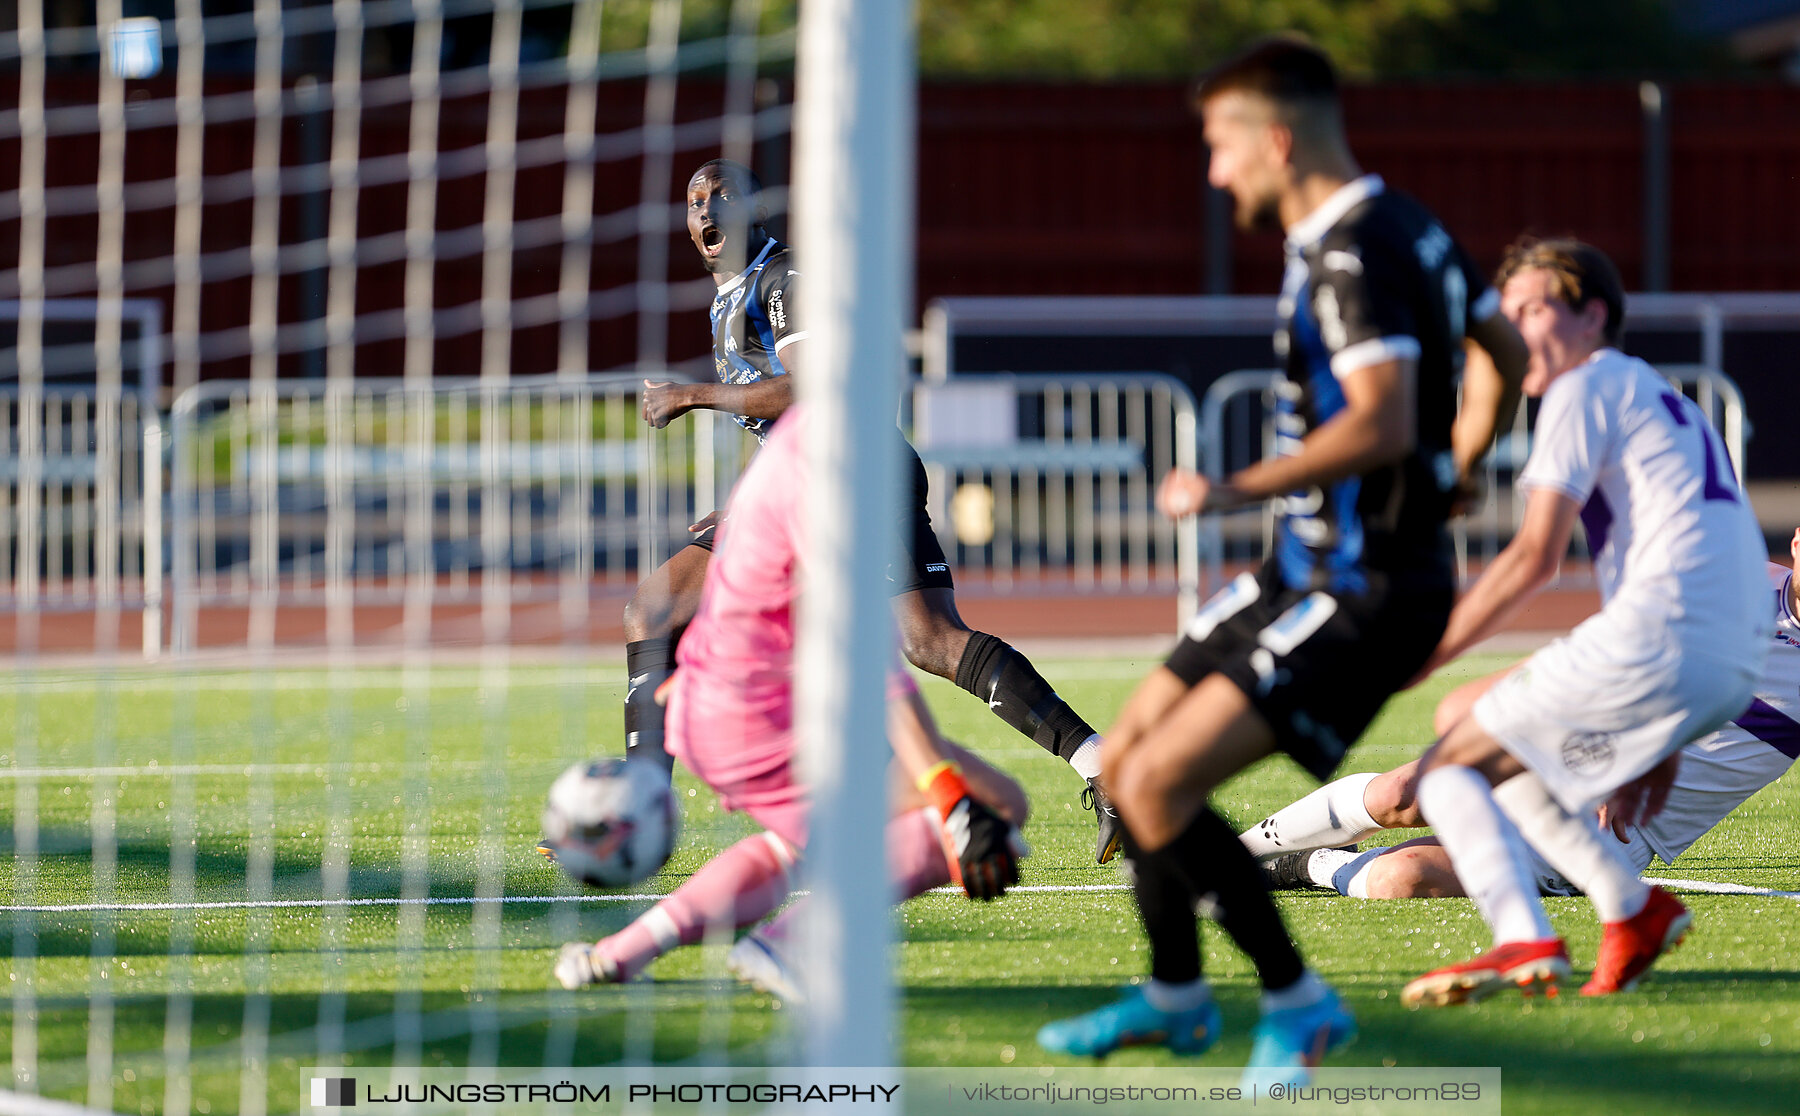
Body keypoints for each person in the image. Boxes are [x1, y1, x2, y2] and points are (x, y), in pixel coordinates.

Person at [1034, 38, 1527, 1084]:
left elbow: (1386, 416)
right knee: (1125, 765)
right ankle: (1173, 993)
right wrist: (1467, 459)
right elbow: (1506, 355)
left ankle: (1297, 1003)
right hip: (1298, 568)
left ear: (1276, 136)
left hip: (1365, 587)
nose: (1214, 176)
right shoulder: (1410, 225)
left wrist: (1233, 485)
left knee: (1163, 780)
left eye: (1219, 147)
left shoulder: (1351, 250)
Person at [612, 158, 1121, 862]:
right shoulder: (731, 296)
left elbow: (814, 391)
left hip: (853, 474)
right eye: (695, 199)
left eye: (723, 195)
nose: (707, 209)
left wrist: (691, 395)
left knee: (927, 641)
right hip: (806, 483)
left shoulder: (781, 277)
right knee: (662, 610)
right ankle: (648, 805)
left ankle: (1088, 771)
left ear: (754, 208)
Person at [1397, 237, 1768, 1007]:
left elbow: (1534, 557)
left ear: (1594, 314)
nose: (1515, 328)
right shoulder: (1665, 400)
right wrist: (1667, 729)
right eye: (1507, 315)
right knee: (1511, 758)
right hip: (1727, 659)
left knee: (1449, 770)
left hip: (1666, 639)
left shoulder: (1580, 389)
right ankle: (1630, 909)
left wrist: (1426, 649)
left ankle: (1521, 939)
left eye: (1534, 309)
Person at [555, 402, 1028, 994]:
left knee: (793, 843)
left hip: (717, 704)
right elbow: (855, 659)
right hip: (755, 717)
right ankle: (789, 946)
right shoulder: (827, 467)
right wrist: (945, 787)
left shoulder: (791, 450)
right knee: (996, 810)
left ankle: (616, 955)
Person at [1250, 538, 1800, 901]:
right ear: (1797, 542)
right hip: (1567, 742)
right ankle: (1232, 855)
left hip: (1614, 834)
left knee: (1405, 878)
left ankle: (1310, 865)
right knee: (1403, 793)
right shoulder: (1733, 580)